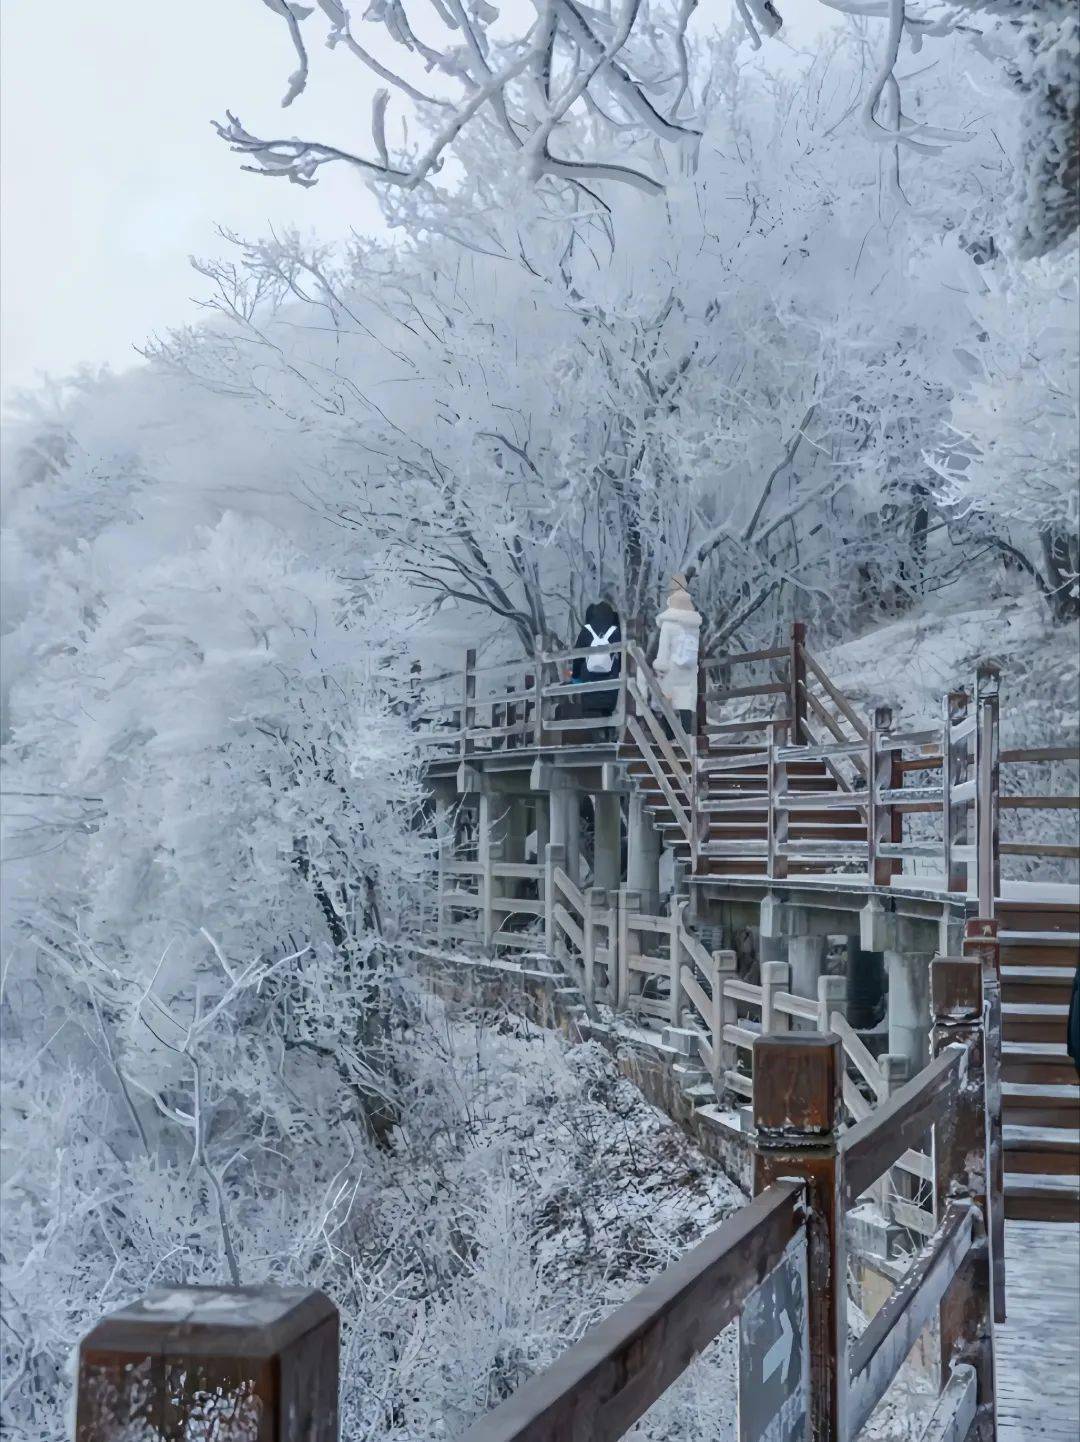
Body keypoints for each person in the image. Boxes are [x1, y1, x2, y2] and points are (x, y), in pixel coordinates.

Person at [653, 574, 701, 735]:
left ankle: (670, 739)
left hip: (672, 671)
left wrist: (659, 666)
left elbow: (663, 651)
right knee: (686, 705)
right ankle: (689, 739)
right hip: (689, 669)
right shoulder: (693, 623)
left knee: (667, 705)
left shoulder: (669, 622)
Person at [571, 600, 622, 732]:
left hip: (589, 675)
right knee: (608, 705)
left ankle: (594, 734)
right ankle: (608, 731)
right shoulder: (616, 631)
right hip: (610, 675)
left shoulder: (586, 631)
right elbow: (622, 655)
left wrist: (575, 677)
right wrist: (620, 670)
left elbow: (577, 656)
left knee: (591, 706)